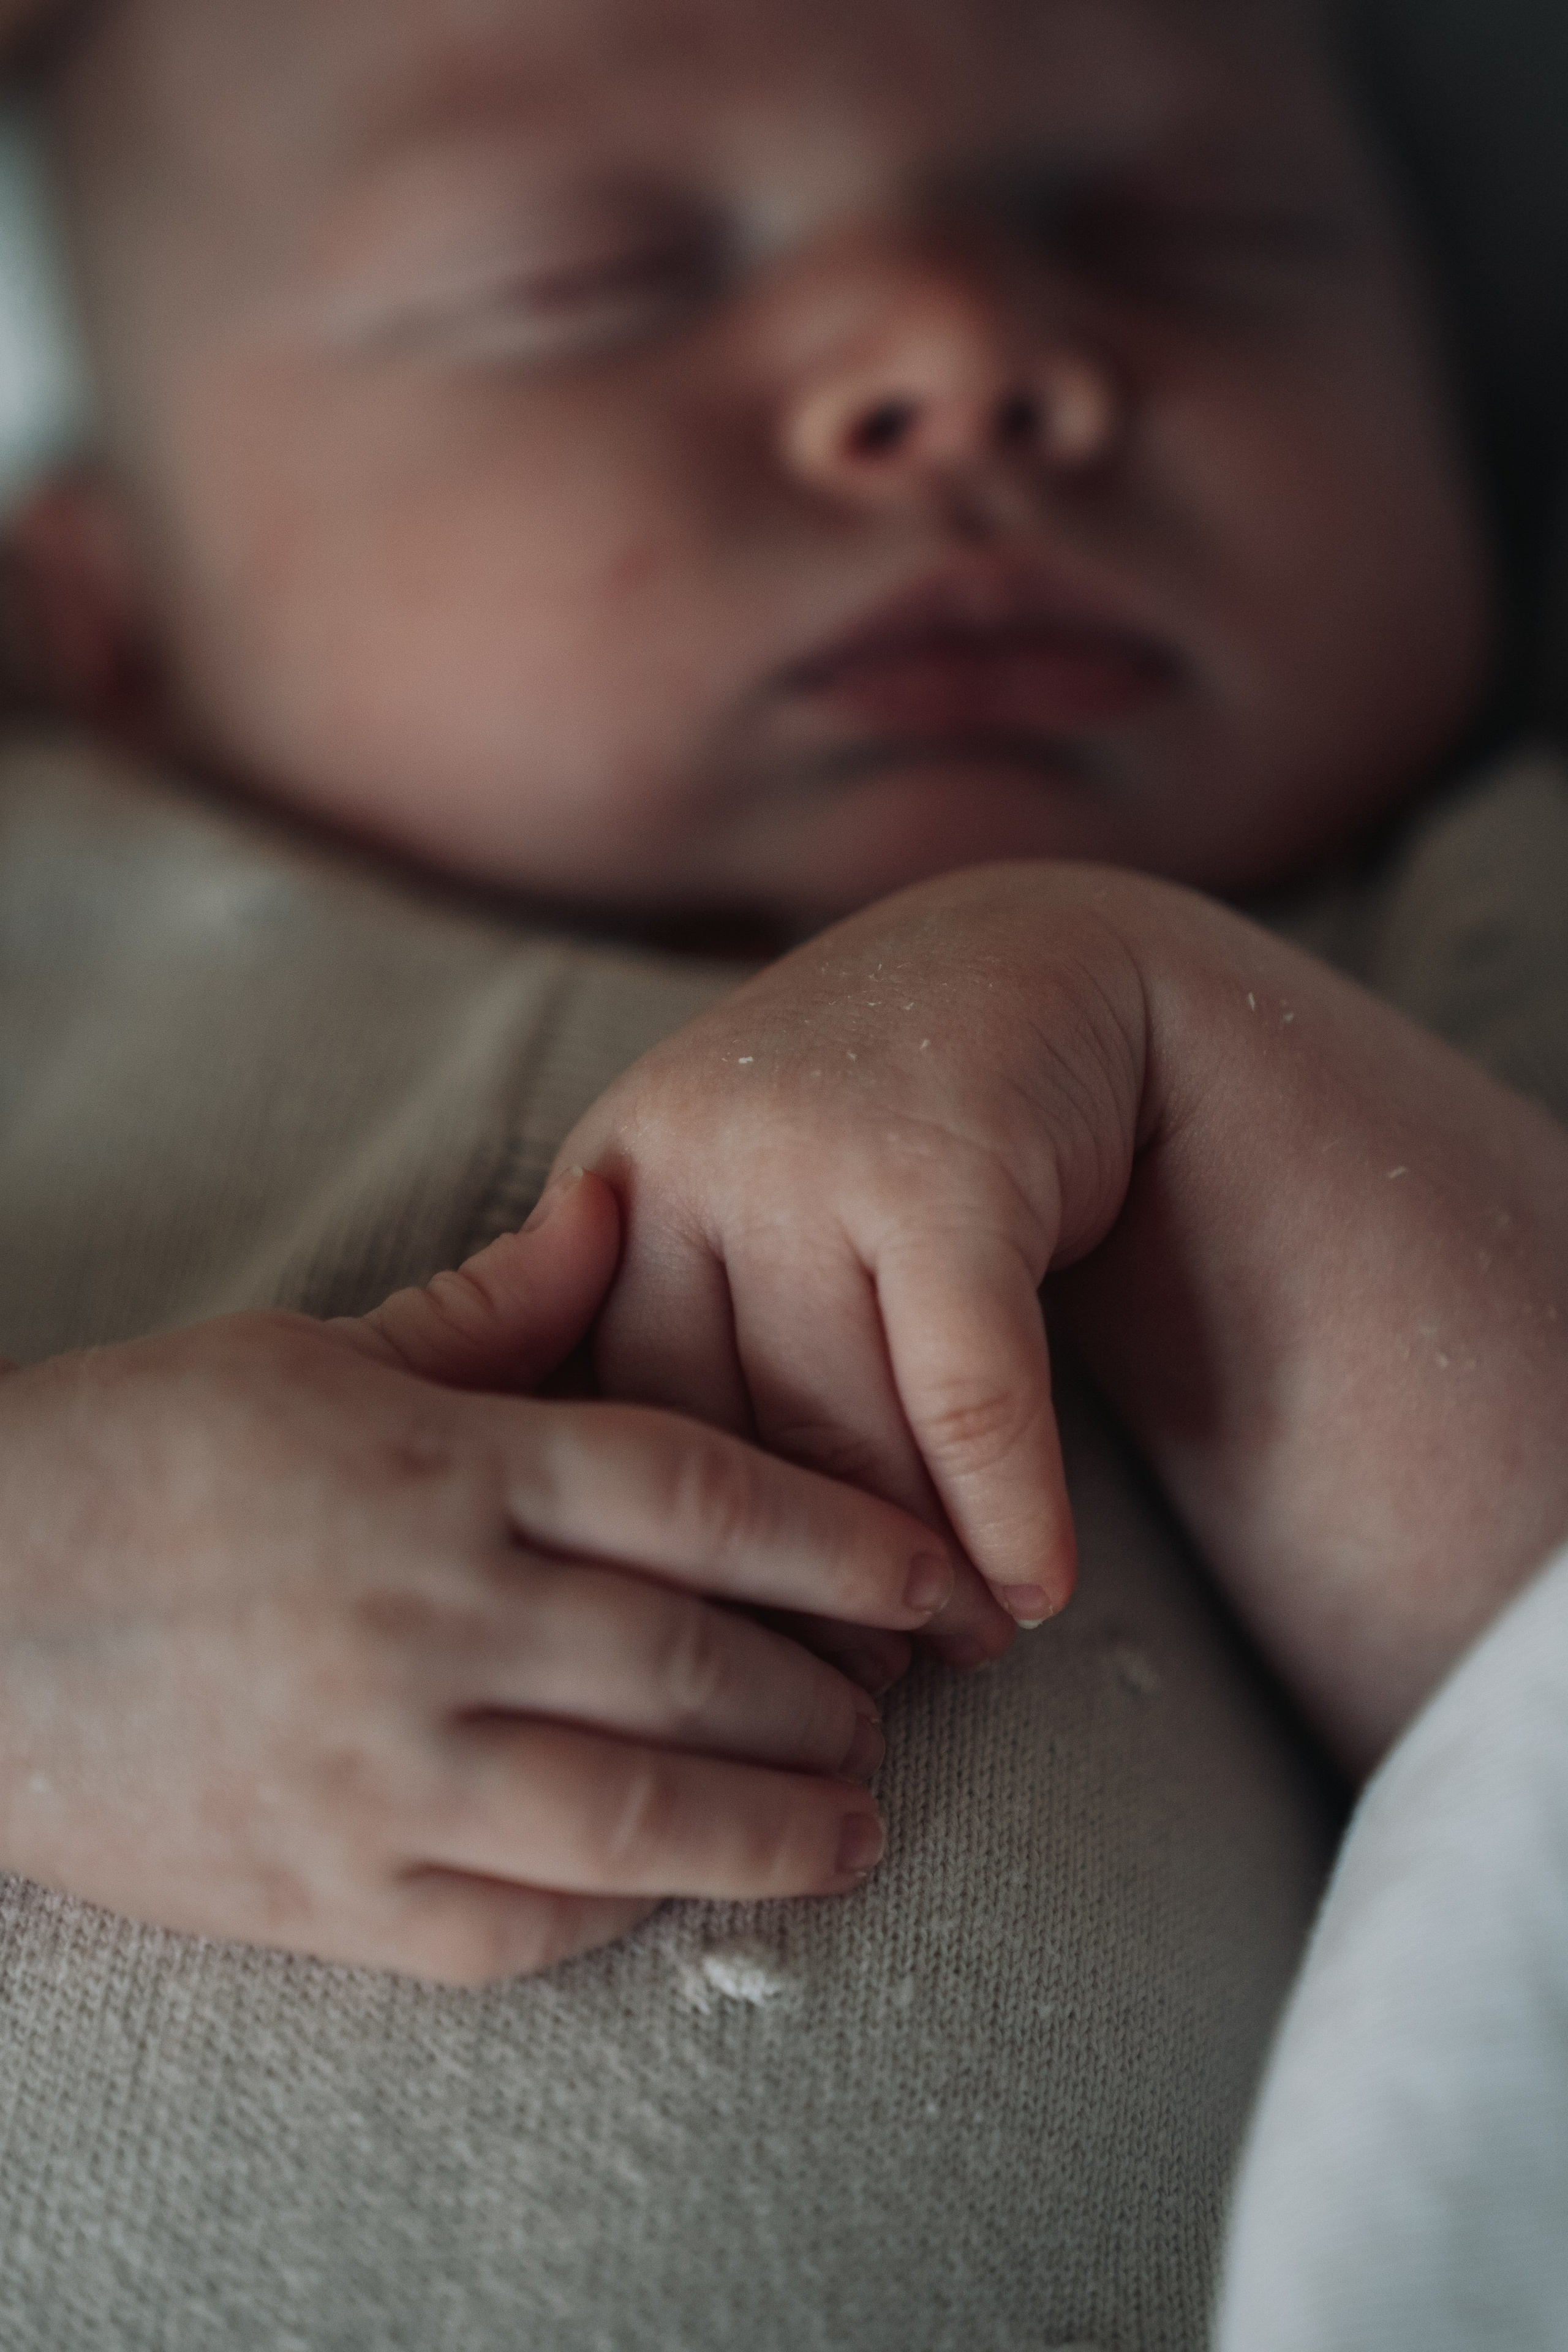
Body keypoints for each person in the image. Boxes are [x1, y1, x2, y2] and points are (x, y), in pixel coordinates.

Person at [0, 0, 1564, 2340]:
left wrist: (1179, 1042)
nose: (963, 354)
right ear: (102, 618)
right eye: (588, 274)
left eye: (1183, 236)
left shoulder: (1457, 936)